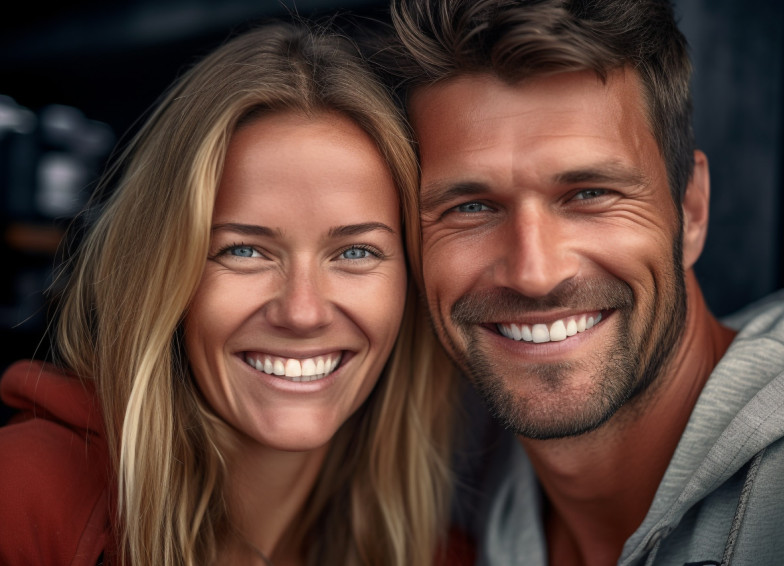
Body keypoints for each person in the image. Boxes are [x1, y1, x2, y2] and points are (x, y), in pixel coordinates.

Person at [376, 1, 784, 564]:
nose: (535, 273)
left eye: (590, 194)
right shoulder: (457, 495)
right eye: (471, 207)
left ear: (691, 209)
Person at [0, 19, 470, 566]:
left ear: (409, 284)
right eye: (244, 251)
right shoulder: (24, 502)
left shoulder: (440, 555)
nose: (302, 311)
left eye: (355, 252)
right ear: (159, 273)